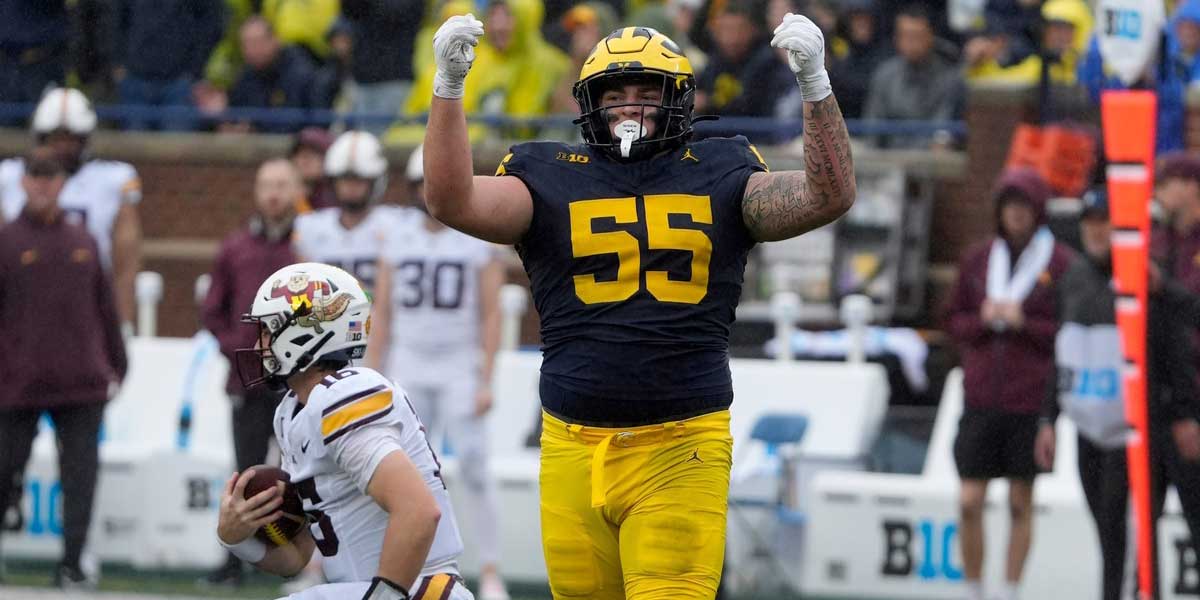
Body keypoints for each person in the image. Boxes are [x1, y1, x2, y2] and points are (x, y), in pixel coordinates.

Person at [422, 14, 855, 598]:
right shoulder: (547, 175)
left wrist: (815, 86)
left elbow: (827, 195)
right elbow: (451, 200)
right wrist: (447, 88)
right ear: (588, 103)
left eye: (646, 93)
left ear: (678, 98)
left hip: (681, 443)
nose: (629, 106)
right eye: (614, 94)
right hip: (571, 444)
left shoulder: (722, 168)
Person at [217, 262, 473, 600]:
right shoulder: (292, 412)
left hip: (415, 589)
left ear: (306, 332)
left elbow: (419, 511)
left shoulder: (344, 397)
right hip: (364, 587)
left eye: (269, 330)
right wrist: (235, 537)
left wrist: (383, 597)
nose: (260, 343)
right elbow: (298, 557)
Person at [1035, 187, 1200, 600]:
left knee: (1129, 534)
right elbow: (1062, 352)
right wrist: (1047, 419)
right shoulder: (1072, 277)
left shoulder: (1144, 273)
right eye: (1090, 221)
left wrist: (1182, 413)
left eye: (1104, 221)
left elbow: (1175, 347)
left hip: (1135, 431)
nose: (1096, 230)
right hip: (1090, 428)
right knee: (1110, 534)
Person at [365, 145, 510, 600]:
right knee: (406, 472)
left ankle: (489, 569)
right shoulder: (396, 233)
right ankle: (414, 569)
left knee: (475, 467)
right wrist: (374, 370)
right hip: (407, 361)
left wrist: (486, 376)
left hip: (457, 363)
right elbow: (382, 311)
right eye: (421, 184)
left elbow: (491, 313)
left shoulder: (474, 234)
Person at [0, 145, 128, 589]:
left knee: (79, 479)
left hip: (81, 382)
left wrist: (118, 361)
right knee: (2, 468)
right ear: (23, 182)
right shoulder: (6, 241)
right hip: (17, 382)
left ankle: (72, 563)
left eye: (50, 177)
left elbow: (105, 307)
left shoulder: (83, 240)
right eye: (35, 176)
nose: (42, 184)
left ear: (62, 184)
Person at [945, 167, 1075, 600]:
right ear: (999, 210)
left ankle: (1010, 591)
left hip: (1029, 398)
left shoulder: (1060, 264)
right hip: (981, 396)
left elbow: (1068, 333)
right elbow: (952, 321)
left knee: (1021, 501)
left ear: (1037, 211)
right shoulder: (978, 259)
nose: (1016, 215)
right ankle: (973, 588)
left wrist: (1027, 324)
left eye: (1024, 206)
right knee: (969, 501)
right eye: (1009, 206)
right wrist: (981, 319)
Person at [199, 157, 302, 586]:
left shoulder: (308, 247)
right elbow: (212, 311)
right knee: (246, 473)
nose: (274, 193)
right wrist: (242, 351)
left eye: (282, 184)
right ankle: (234, 561)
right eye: (266, 185)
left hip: (300, 381)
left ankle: (299, 558)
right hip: (248, 380)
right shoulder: (235, 246)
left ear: (296, 189)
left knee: (301, 469)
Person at [0, 88, 143, 337]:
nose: (62, 148)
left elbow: (126, 263)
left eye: (70, 139)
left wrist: (122, 324)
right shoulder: (9, 177)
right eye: (55, 139)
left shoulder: (113, 179)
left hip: (88, 302)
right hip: (24, 304)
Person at [293, 130, 410, 292]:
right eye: (344, 179)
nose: (350, 187)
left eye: (358, 180)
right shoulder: (310, 226)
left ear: (374, 182)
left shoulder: (396, 224)